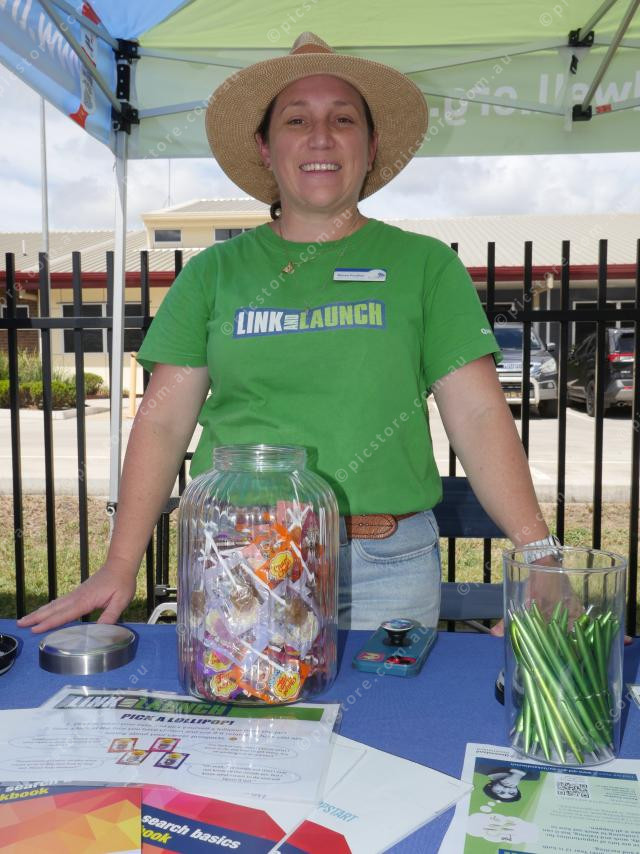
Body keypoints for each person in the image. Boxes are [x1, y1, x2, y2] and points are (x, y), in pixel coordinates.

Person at [18, 31, 556, 635]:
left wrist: (538, 551)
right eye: (296, 120)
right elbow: (163, 420)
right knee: (241, 700)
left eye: (343, 119)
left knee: (385, 701)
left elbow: (479, 416)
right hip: (241, 558)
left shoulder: (425, 266)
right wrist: (120, 563)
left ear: (371, 145)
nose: (320, 136)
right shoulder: (212, 274)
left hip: (386, 565)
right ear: (265, 147)